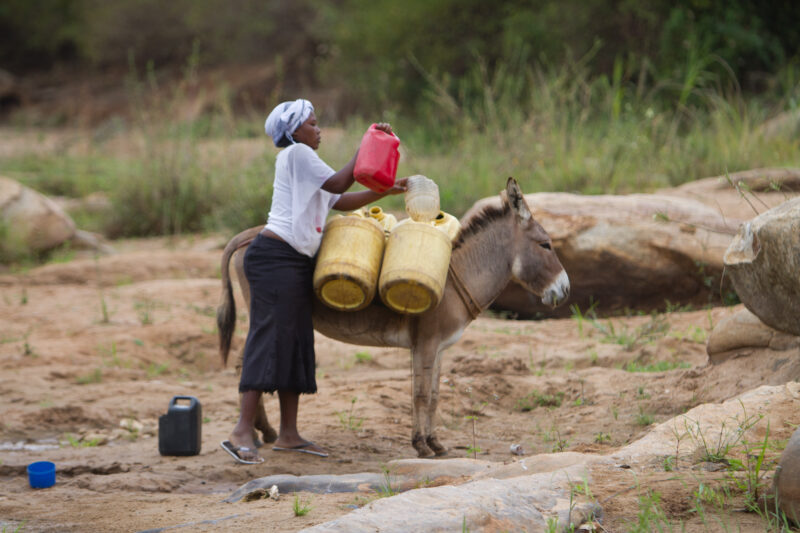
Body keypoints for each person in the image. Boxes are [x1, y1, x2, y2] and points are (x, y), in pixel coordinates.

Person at [220, 99, 407, 464]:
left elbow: (341, 199)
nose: (319, 129)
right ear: (294, 132)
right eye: (313, 123)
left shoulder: (308, 163)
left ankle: (288, 434)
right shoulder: (296, 156)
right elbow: (340, 180)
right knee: (269, 338)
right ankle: (242, 430)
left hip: (294, 261)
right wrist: (365, 147)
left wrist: (386, 190)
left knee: (296, 343)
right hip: (275, 258)